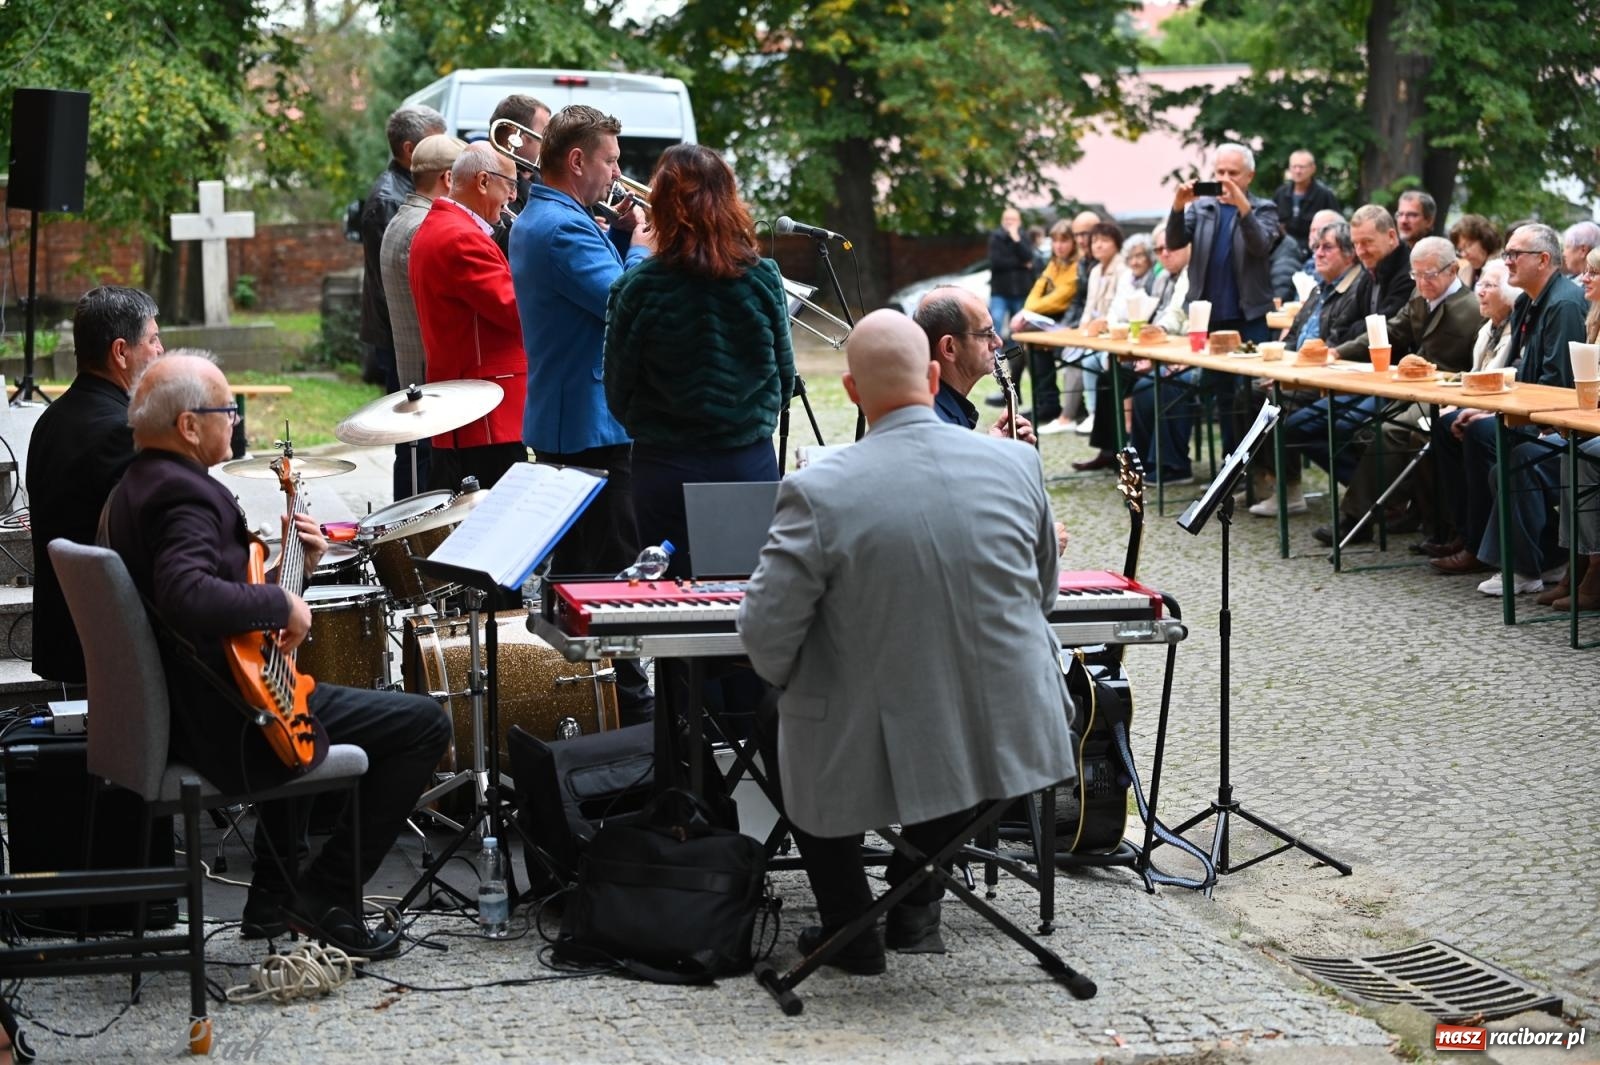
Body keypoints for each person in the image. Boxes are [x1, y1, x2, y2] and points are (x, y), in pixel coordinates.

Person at [737, 309, 1075, 973]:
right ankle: (916, 895)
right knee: (954, 709)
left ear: (853, 393)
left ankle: (848, 923)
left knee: (779, 709)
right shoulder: (1018, 465)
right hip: (1017, 725)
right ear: (931, 374)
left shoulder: (817, 489)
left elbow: (766, 640)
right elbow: (1043, 596)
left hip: (885, 729)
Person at [103, 353, 450, 957]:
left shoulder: (138, 484)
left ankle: (270, 899)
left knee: (302, 684)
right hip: (229, 724)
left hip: (203, 704)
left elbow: (207, 599)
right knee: (424, 724)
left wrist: (298, 573)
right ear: (189, 426)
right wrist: (280, 608)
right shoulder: (182, 496)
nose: (235, 421)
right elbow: (186, 593)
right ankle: (326, 896)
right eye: (226, 410)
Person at [509, 103, 654, 720]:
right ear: (577, 160)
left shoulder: (555, 215)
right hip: (589, 424)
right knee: (607, 577)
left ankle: (603, 699)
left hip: (580, 415)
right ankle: (621, 703)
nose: (618, 175)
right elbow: (619, 302)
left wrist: (620, 235)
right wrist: (643, 251)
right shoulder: (560, 226)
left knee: (593, 572)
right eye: (611, 161)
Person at [603, 144, 795, 578]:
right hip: (747, 462)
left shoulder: (638, 288)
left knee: (671, 602)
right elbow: (785, 379)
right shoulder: (763, 278)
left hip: (665, 465)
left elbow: (617, 389)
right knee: (747, 601)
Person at [1429, 223, 1588, 595]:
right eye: (1507, 253)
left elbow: (1557, 386)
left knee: (1488, 438)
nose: (1508, 261)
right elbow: (1515, 370)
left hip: (1556, 421)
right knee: (1451, 425)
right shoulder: (1527, 301)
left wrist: (1494, 413)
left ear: (1544, 259)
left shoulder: (1563, 303)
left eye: (1516, 254)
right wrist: (1486, 407)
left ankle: (1520, 560)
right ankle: (1475, 540)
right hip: (1528, 409)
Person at [1302, 236, 1483, 545]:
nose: (1422, 281)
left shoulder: (1472, 308)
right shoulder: (1418, 295)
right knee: (1361, 429)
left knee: (1389, 432)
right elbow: (1391, 331)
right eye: (1416, 274)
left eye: (1430, 274)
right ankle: (1400, 508)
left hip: (1448, 396)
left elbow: (1479, 365)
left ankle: (1356, 519)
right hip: (1413, 390)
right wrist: (1339, 351)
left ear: (1453, 270)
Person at [26, 286, 164, 687]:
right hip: (112, 647)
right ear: (121, 352)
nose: (161, 350)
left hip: (64, 634)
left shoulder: (50, 421)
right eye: (153, 339)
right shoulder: (122, 431)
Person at [406, 144, 530, 492]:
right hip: (486, 413)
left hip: (472, 408)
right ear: (482, 181)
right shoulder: (461, 237)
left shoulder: (443, 226)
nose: (512, 197)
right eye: (509, 186)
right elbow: (515, 311)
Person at [1165, 142, 1281, 455]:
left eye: (1233, 172)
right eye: (1219, 172)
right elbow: (1174, 242)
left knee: (1251, 395)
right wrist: (1178, 206)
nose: (1225, 178)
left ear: (1249, 176)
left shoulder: (1264, 208)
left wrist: (1243, 207)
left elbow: (1260, 245)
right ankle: (1231, 466)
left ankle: (1257, 465)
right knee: (1223, 397)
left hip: (1249, 316)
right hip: (1209, 316)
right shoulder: (1202, 207)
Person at [360, 104, 447, 501]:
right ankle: (409, 525)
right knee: (414, 444)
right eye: (436, 142)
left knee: (427, 441)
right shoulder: (389, 199)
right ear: (411, 149)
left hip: (412, 336)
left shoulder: (403, 191)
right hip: (403, 338)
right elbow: (393, 283)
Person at [380, 133, 466, 495]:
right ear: (448, 178)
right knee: (426, 489)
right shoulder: (422, 226)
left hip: (415, 374)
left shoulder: (403, 218)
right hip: (431, 382)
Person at [1003, 218, 1080, 426]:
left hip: (1071, 324)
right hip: (1052, 321)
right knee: (1026, 340)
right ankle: (1042, 401)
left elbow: (1062, 296)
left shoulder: (1076, 266)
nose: (1059, 246)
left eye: (1064, 241)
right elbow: (1036, 291)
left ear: (1074, 242)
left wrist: (1027, 313)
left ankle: (1035, 397)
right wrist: (1026, 311)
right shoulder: (1054, 264)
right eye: (1055, 241)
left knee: (1028, 340)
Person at [488, 93, 551, 255]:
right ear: (515, 136)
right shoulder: (490, 182)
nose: (551, 142)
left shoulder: (540, 179)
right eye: (546, 133)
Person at [1271, 149, 1341, 255]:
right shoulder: (1280, 194)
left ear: (1313, 168)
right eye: (1294, 167)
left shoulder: (1324, 195)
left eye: (1302, 167)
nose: (1298, 171)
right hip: (1283, 251)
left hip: (1315, 252)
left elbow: (1338, 228)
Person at [987, 207, 1034, 341]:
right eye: (1007, 219)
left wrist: (1016, 240)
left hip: (1020, 291)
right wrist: (1020, 264)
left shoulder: (1024, 237)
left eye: (1013, 219)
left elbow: (1029, 257)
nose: (1009, 222)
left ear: (1019, 222)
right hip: (1000, 292)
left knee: (1018, 328)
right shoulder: (996, 237)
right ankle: (994, 358)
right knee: (995, 322)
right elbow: (997, 262)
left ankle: (1014, 359)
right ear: (1002, 221)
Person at [1448, 214, 1502, 289]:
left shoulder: (1503, 267)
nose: (1463, 254)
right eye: (1460, 250)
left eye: (1468, 246)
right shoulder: (1463, 271)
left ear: (1484, 240)